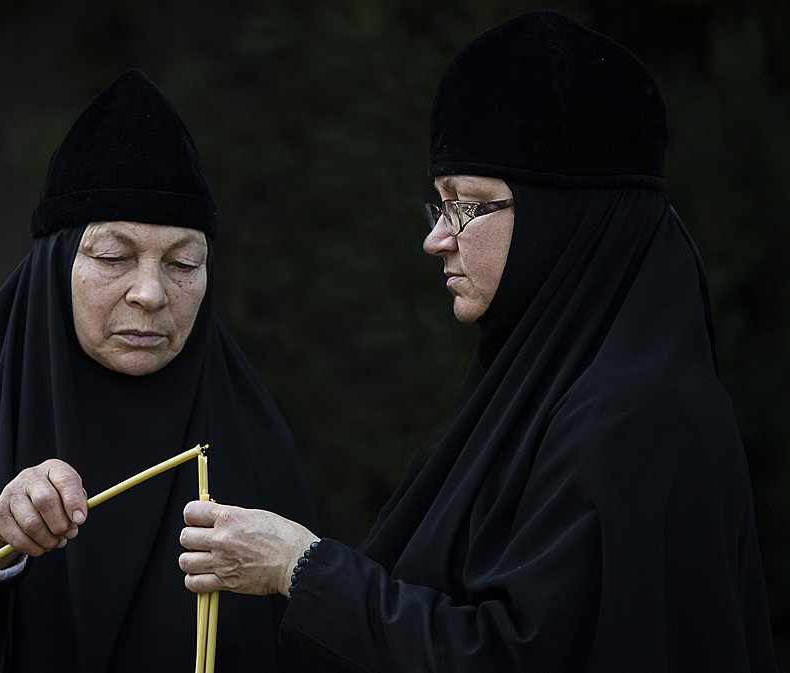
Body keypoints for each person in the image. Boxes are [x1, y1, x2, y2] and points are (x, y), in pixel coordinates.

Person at [178, 11, 778, 672]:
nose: (438, 237)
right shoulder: (547, 387)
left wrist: (304, 567)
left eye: (467, 202)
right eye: (440, 203)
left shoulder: (635, 418)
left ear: (563, 215)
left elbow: (521, 658)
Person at [0, 69, 318, 672]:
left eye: (184, 264)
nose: (150, 293)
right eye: (114, 256)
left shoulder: (251, 438)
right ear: (57, 267)